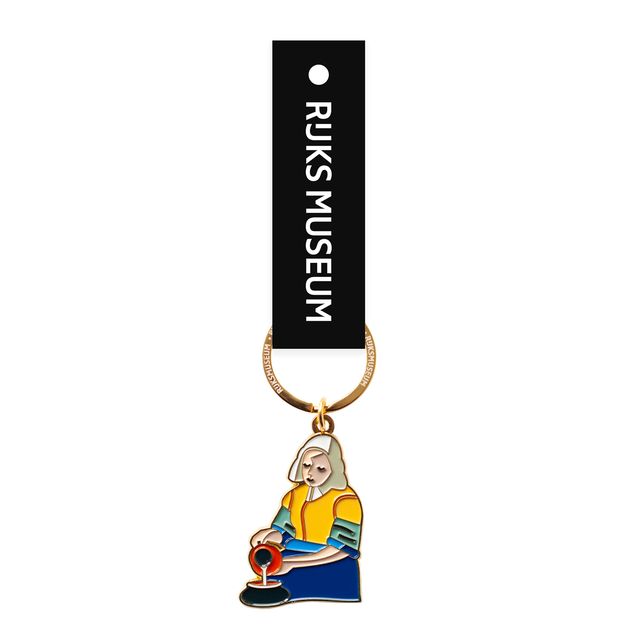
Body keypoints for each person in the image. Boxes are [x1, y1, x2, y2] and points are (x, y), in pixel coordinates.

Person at [250, 433, 362, 602]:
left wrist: (293, 563)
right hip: (290, 560)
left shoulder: (345, 500)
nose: (310, 473)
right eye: (306, 465)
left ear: (334, 468)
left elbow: (342, 549)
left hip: (331, 568)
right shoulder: (295, 495)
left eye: (321, 468)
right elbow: (285, 532)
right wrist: (268, 536)